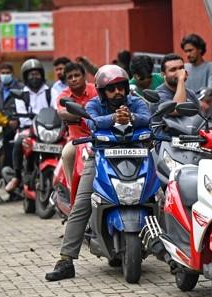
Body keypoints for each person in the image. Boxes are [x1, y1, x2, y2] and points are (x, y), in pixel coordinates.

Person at [45, 65, 150, 281]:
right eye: (111, 89)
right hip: (100, 156)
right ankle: (66, 260)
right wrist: (115, 118)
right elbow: (91, 122)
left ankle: (174, 255)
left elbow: (147, 117)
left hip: (137, 156)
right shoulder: (93, 104)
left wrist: (130, 117)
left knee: (161, 194)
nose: (117, 92)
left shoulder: (135, 101)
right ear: (102, 92)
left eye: (120, 87)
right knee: (82, 202)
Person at [5, 59, 57, 193]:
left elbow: (56, 108)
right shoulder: (22, 93)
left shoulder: (50, 91)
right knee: (18, 142)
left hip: (47, 129)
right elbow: (20, 114)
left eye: (37, 74)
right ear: (26, 76)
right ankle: (17, 177)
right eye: (31, 74)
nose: (35, 77)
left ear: (42, 74)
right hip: (27, 129)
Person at [56, 62, 97, 187]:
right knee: (66, 154)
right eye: (70, 77)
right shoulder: (63, 96)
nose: (74, 79)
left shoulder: (96, 90)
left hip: (101, 137)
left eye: (77, 75)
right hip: (77, 141)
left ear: (84, 76)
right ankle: (71, 189)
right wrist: (86, 113)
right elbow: (63, 113)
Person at [0, 62, 24, 168]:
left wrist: (17, 120)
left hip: (15, 127)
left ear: (12, 73)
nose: (5, 75)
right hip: (0, 127)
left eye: (7, 73)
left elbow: (24, 106)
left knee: (14, 154)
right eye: (2, 73)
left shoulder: (20, 87)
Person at [151, 54, 199, 127]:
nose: (179, 73)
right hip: (166, 137)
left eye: (181, 68)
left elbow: (199, 119)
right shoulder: (158, 95)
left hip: (190, 136)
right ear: (163, 74)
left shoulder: (190, 93)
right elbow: (178, 109)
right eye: (173, 70)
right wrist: (180, 80)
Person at [181, 33, 212, 118]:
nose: (188, 54)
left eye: (190, 50)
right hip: (186, 112)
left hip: (204, 114)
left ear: (200, 49)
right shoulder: (184, 67)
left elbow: (211, 88)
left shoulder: (209, 66)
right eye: (186, 51)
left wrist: (204, 96)